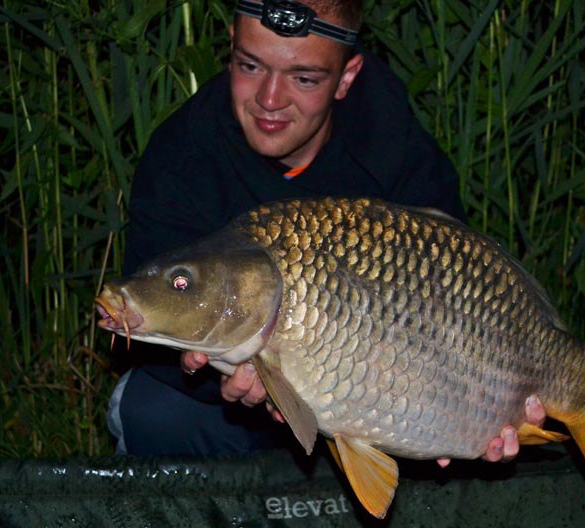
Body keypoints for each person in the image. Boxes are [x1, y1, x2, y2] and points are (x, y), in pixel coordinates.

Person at [108, 0, 546, 464]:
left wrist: (454, 418)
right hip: (226, 408)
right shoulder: (183, 157)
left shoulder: (394, 145)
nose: (270, 99)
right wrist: (225, 377)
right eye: (250, 65)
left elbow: (461, 297)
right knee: (149, 411)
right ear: (231, 50)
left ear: (347, 76)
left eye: (304, 78)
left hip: (380, 396)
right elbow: (159, 322)